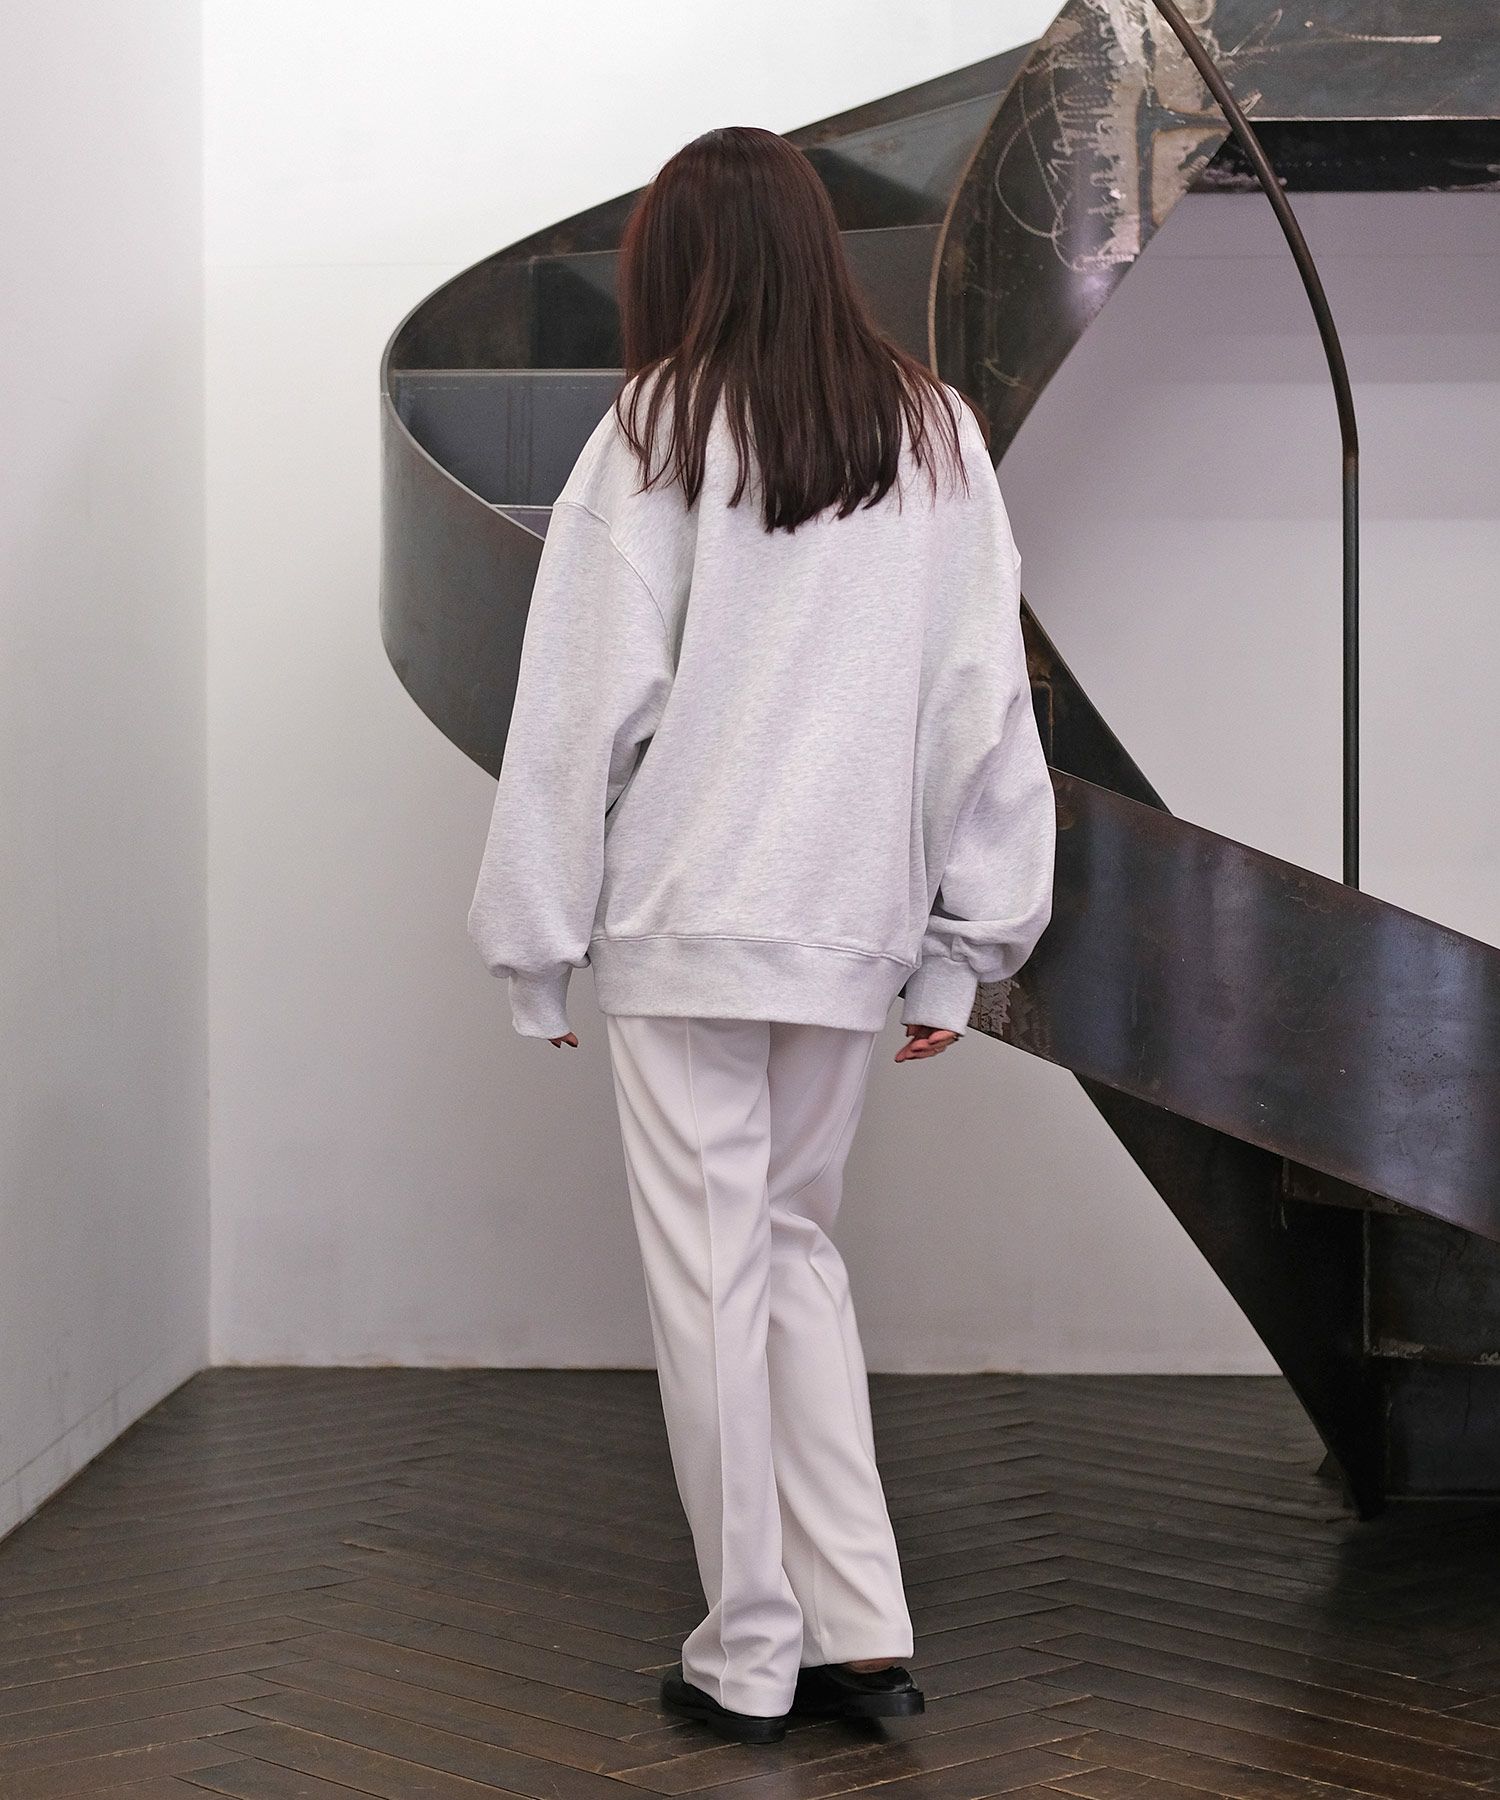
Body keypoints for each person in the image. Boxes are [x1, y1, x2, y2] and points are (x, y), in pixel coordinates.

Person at [466, 124, 1056, 1745]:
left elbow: (577, 705)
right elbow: (985, 704)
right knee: (792, 1251)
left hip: (688, 923)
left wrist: (534, 938)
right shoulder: (933, 432)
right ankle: (858, 1624)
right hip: (847, 929)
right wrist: (967, 944)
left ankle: (747, 1654)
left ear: (677, 259)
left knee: (715, 1283)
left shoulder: (655, 427)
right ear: (818, 245)